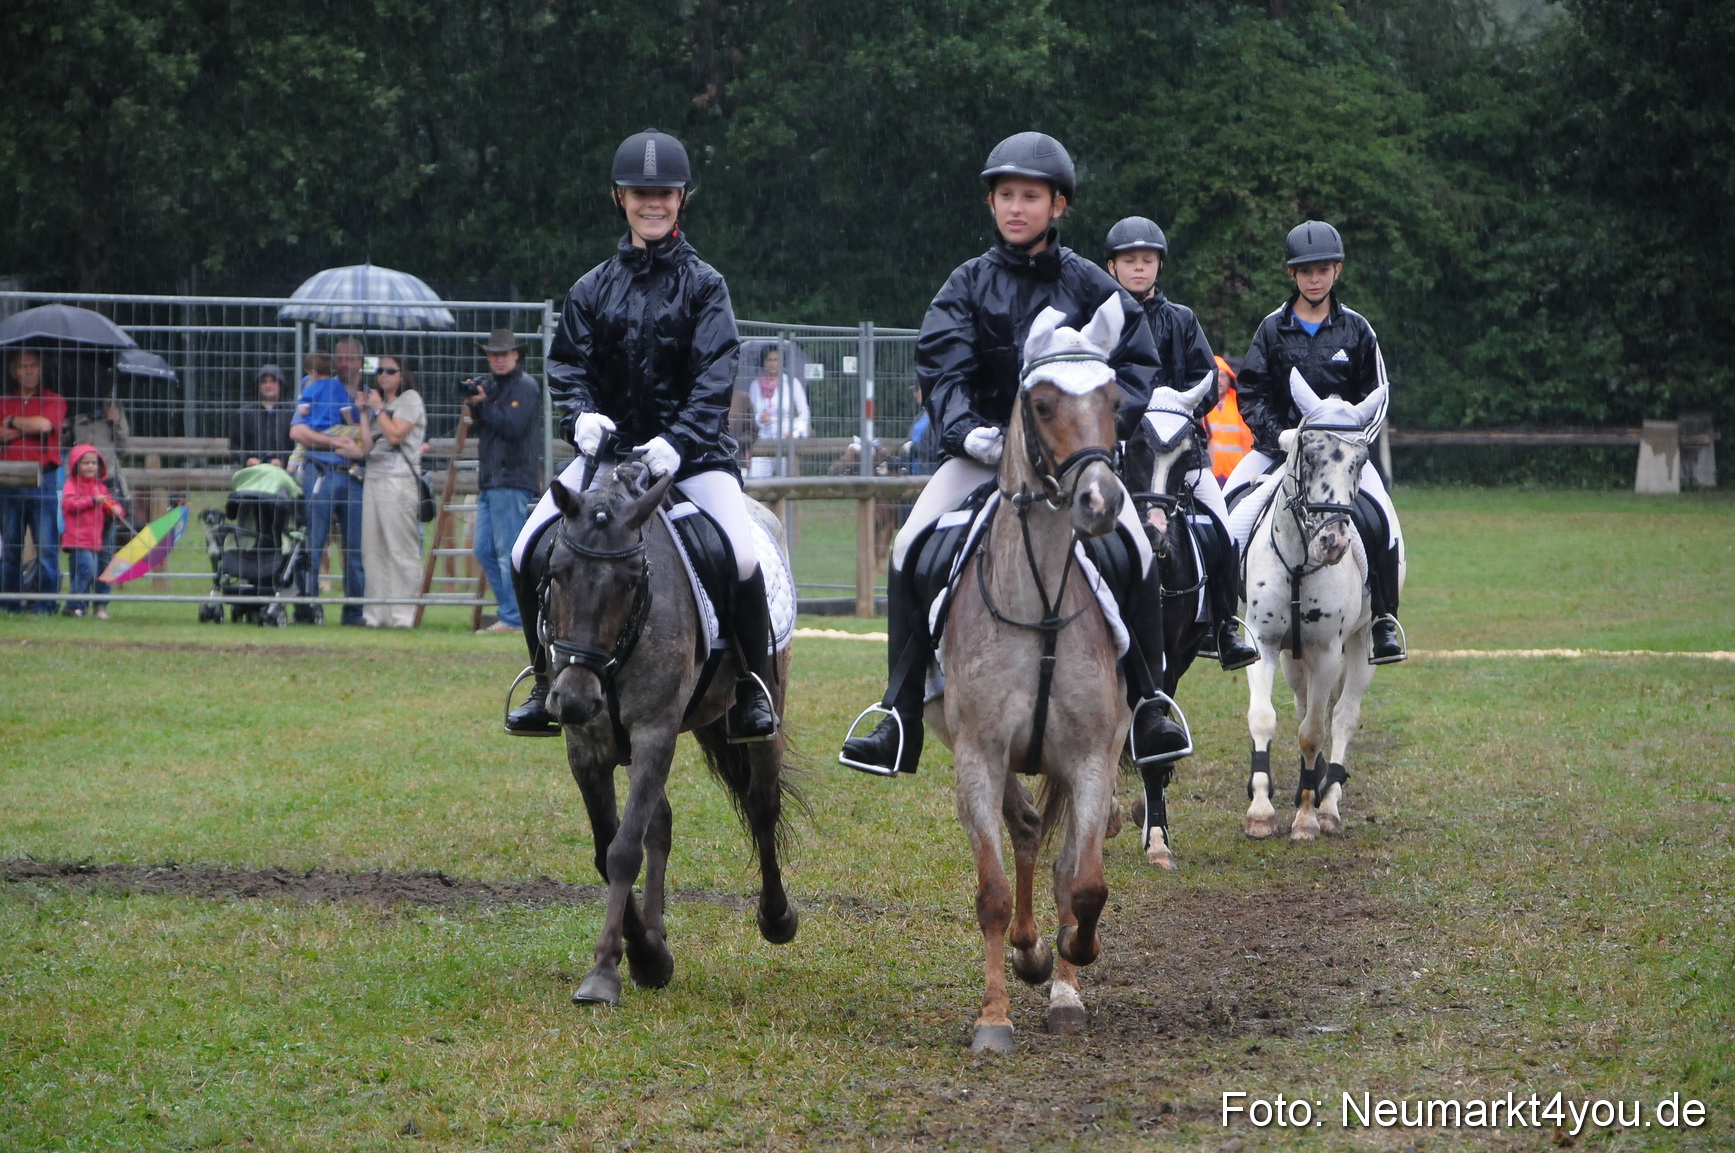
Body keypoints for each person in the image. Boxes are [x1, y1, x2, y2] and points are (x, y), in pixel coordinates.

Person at [840, 131, 1184, 777]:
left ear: (1058, 205)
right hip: (983, 455)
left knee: (1135, 549)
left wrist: (1098, 440)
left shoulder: (1092, 286)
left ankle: (1148, 703)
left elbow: (1136, 368)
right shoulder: (966, 284)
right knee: (909, 544)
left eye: (1030, 196)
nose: (1015, 208)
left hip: (1074, 459)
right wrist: (966, 428)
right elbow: (942, 369)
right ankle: (898, 710)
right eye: (1005, 196)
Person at [502, 128, 778, 745]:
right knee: (527, 549)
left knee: (738, 554)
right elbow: (568, 364)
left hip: (694, 458)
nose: (652, 203)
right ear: (618, 197)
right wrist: (579, 415)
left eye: (665, 193)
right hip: (607, 460)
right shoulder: (591, 288)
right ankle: (544, 677)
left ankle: (754, 687)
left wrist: (679, 441)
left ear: (682, 199)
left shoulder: (706, 285)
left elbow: (715, 372)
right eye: (639, 193)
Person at [1224, 220, 1406, 663]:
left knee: (1380, 520)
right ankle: (1222, 621)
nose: (1314, 278)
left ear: (1336, 271)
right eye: (1305, 271)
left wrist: (1350, 451)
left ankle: (1383, 620)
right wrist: (1277, 436)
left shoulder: (1358, 330)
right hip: (1278, 453)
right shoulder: (1271, 329)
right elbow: (1250, 392)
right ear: (1292, 275)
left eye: (1322, 269)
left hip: (1341, 462)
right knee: (1227, 517)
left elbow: (1376, 396)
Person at [1104, 215, 1258, 671]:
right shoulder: (1102, 319)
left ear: (1159, 266)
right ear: (1111, 267)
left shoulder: (1181, 320)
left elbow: (1209, 383)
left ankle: (1225, 625)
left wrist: (1175, 405)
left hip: (1179, 453)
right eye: (1129, 261)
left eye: (1147, 260)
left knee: (1222, 529)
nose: (1139, 268)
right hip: (1121, 453)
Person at [466, 329, 543, 636]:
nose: (498, 360)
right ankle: (513, 613)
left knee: (507, 550)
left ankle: (515, 618)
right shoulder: (492, 388)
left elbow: (512, 427)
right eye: (493, 355)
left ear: (516, 355)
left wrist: (483, 406)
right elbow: (481, 429)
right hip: (491, 479)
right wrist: (477, 405)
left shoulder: (525, 387)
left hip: (511, 478)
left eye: (503, 354)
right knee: (483, 548)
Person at [289, 343, 367, 625]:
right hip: (319, 471)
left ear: (361, 361)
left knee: (355, 548)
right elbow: (297, 429)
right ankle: (308, 606)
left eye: (351, 357)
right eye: (340, 358)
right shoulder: (320, 386)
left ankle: (355, 612)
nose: (345, 363)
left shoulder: (370, 393)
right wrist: (335, 440)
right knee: (313, 541)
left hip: (356, 475)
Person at [358, 354, 427, 628]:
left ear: (402, 374)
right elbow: (366, 446)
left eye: (390, 371)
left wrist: (377, 410)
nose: (383, 375)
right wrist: (364, 412)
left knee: (400, 548)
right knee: (372, 549)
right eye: (380, 371)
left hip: (398, 480)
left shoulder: (410, 399)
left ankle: (404, 614)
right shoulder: (380, 404)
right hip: (373, 477)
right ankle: (375, 614)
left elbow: (396, 434)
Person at [0, 348, 67, 613]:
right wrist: (27, 426)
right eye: (22, 367)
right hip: (8, 480)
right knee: (11, 545)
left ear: (40, 369)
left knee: (47, 545)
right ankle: (9, 603)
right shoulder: (4, 399)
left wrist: (13, 421)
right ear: (13, 372)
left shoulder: (55, 399)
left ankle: (45, 603)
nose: (28, 372)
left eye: (33, 366)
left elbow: (45, 425)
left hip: (43, 479)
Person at [59, 444, 126, 618]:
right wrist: (92, 501)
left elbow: (109, 503)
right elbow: (68, 504)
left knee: (99, 571)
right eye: (85, 463)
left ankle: (95, 606)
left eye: (94, 463)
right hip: (78, 540)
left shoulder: (100, 487)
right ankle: (74, 605)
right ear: (76, 465)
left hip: (96, 541)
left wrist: (116, 509)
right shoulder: (71, 485)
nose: (90, 467)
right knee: (85, 571)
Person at [230, 364, 296, 468]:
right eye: (264, 381)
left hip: (285, 472)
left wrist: (284, 461)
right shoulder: (245, 413)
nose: (268, 385)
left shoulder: (292, 412)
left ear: (281, 384)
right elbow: (234, 445)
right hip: (253, 471)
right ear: (258, 385)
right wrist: (247, 460)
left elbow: (298, 445)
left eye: (273, 381)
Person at [1206, 354, 1254, 483]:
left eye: (1223, 376)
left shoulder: (1240, 404)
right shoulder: (1202, 405)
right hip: (1210, 474)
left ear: (1229, 379)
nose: (1220, 381)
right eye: (1217, 376)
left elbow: (1248, 441)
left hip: (1236, 473)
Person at [748, 345, 811, 441]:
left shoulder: (791, 383)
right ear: (763, 362)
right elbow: (751, 416)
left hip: (787, 440)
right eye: (769, 360)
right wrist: (760, 418)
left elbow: (804, 413)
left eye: (776, 360)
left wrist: (795, 432)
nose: (772, 364)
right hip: (763, 440)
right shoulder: (755, 385)